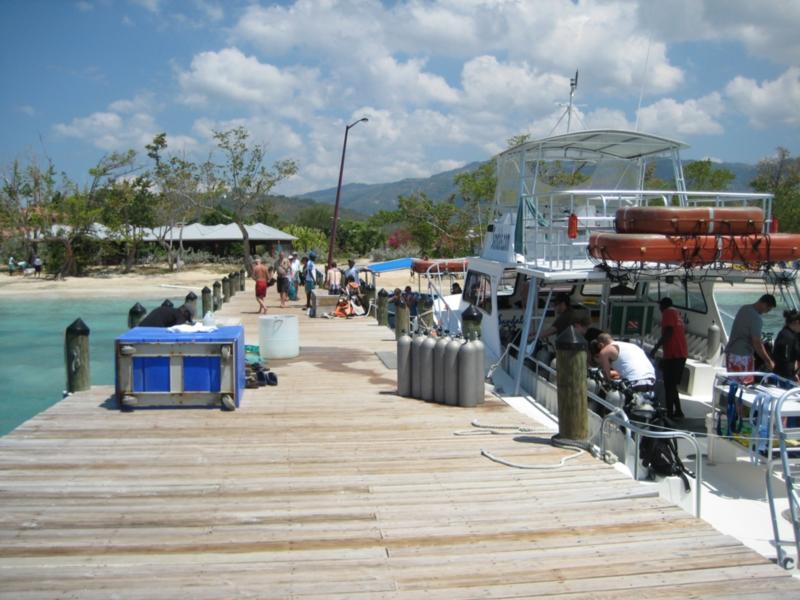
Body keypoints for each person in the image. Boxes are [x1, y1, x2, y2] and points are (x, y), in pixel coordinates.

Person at [649, 297, 689, 419]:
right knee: (672, 385)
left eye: (660, 307)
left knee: (669, 385)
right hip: (681, 354)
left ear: (663, 306)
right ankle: (678, 411)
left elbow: (669, 332)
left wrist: (655, 348)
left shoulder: (668, 313)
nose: (660, 310)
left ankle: (669, 413)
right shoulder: (677, 313)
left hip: (673, 354)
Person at [724, 293, 776, 383]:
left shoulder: (744, 308)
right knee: (745, 385)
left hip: (731, 353)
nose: (767, 312)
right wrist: (768, 361)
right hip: (742, 357)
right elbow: (757, 342)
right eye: (768, 309)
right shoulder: (756, 318)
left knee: (732, 384)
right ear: (763, 303)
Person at [591, 332, 656, 390]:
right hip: (651, 381)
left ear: (601, 345)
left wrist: (607, 383)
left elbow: (606, 375)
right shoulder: (631, 346)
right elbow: (628, 367)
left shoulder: (606, 350)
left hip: (634, 381)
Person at [772, 309, 800, 381]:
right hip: (784, 377)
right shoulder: (787, 337)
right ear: (797, 322)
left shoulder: (785, 333)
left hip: (784, 373)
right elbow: (785, 359)